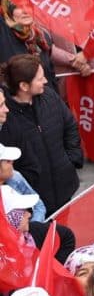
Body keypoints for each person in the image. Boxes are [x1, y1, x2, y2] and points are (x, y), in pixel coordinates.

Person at [0, 54, 81, 213]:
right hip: (32, 200)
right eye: (39, 78)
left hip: (64, 188)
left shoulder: (49, 96)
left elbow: (70, 126)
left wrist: (72, 159)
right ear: (24, 86)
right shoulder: (5, 116)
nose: (45, 81)